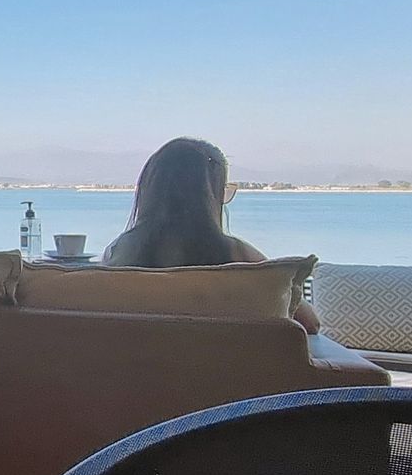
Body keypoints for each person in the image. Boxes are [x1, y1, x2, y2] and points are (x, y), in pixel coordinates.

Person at [103, 137, 320, 333]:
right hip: (225, 374)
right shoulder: (239, 254)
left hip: (137, 372)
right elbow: (310, 323)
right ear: (210, 196)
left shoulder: (119, 252)